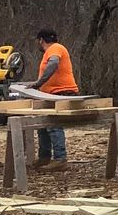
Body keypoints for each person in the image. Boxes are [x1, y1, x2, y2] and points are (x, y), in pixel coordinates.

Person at [25, 28, 80, 167]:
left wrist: (39, 83)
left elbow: (54, 63)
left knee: (53, 124)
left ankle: (60, 158)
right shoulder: (53, 50)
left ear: (41, 40)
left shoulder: (55, 48)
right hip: (51, 93)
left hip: (61, 93)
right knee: (42, 125)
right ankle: (44, 157)